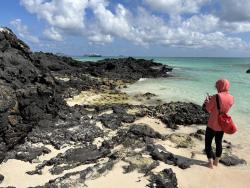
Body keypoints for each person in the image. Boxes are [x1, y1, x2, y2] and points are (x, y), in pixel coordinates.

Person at [203, 79, 234, 168]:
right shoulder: (232, 98)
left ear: (220, 86)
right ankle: (216, 162)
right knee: (219, 142)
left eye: (217, 86)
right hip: (222, 124)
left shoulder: (216, 96)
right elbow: (224, 108)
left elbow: (208, 109)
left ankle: (210, 163)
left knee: (208, 143)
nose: (216, 88)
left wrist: (207, 101)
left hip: (212, 124)